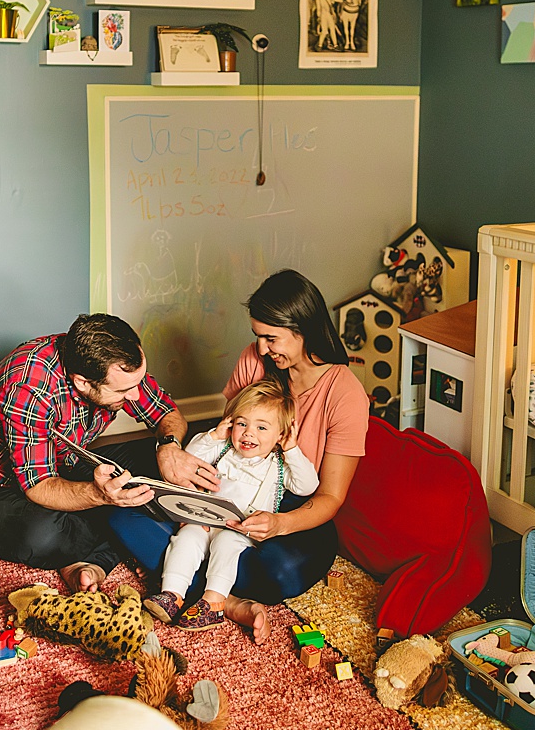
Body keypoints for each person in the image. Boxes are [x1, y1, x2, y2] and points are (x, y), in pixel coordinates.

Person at [109, 269, 368, 643]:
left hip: (289, 502)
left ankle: (206, 590)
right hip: (225, 489)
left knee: (283, 571)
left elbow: (329, 496)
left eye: (271, 338)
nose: (262, 349)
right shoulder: (256, 360)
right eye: (257, 336)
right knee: (122, 511)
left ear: (304, 329)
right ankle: (224, 601)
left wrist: (279, 524)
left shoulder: (345, 395)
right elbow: (227, 436)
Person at [0, 313, 221, 593]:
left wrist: (169, 446)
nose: (136, 395)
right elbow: (39, 486)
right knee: (44, 536)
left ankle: (98, 547)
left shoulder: (116, 364)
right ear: (83, 383)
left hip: (63, 468)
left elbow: (165, 412)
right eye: (124, 390)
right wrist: (100, 496)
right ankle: (110, 547)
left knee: (167, 464)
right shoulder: (27, 386)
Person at [142, 379, 319, 631]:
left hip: (241, 529)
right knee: (186, 538)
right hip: (205, 519)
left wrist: (292, 450)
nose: (248, 433)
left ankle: (214, 601)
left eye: (261, 428)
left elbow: (307, 486)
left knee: (226, 544)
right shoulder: (224, 450)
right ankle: (172, 594)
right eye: (242, 423)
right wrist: (215, 435)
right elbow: (191, 457)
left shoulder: (278, 465)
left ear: (280, 435)